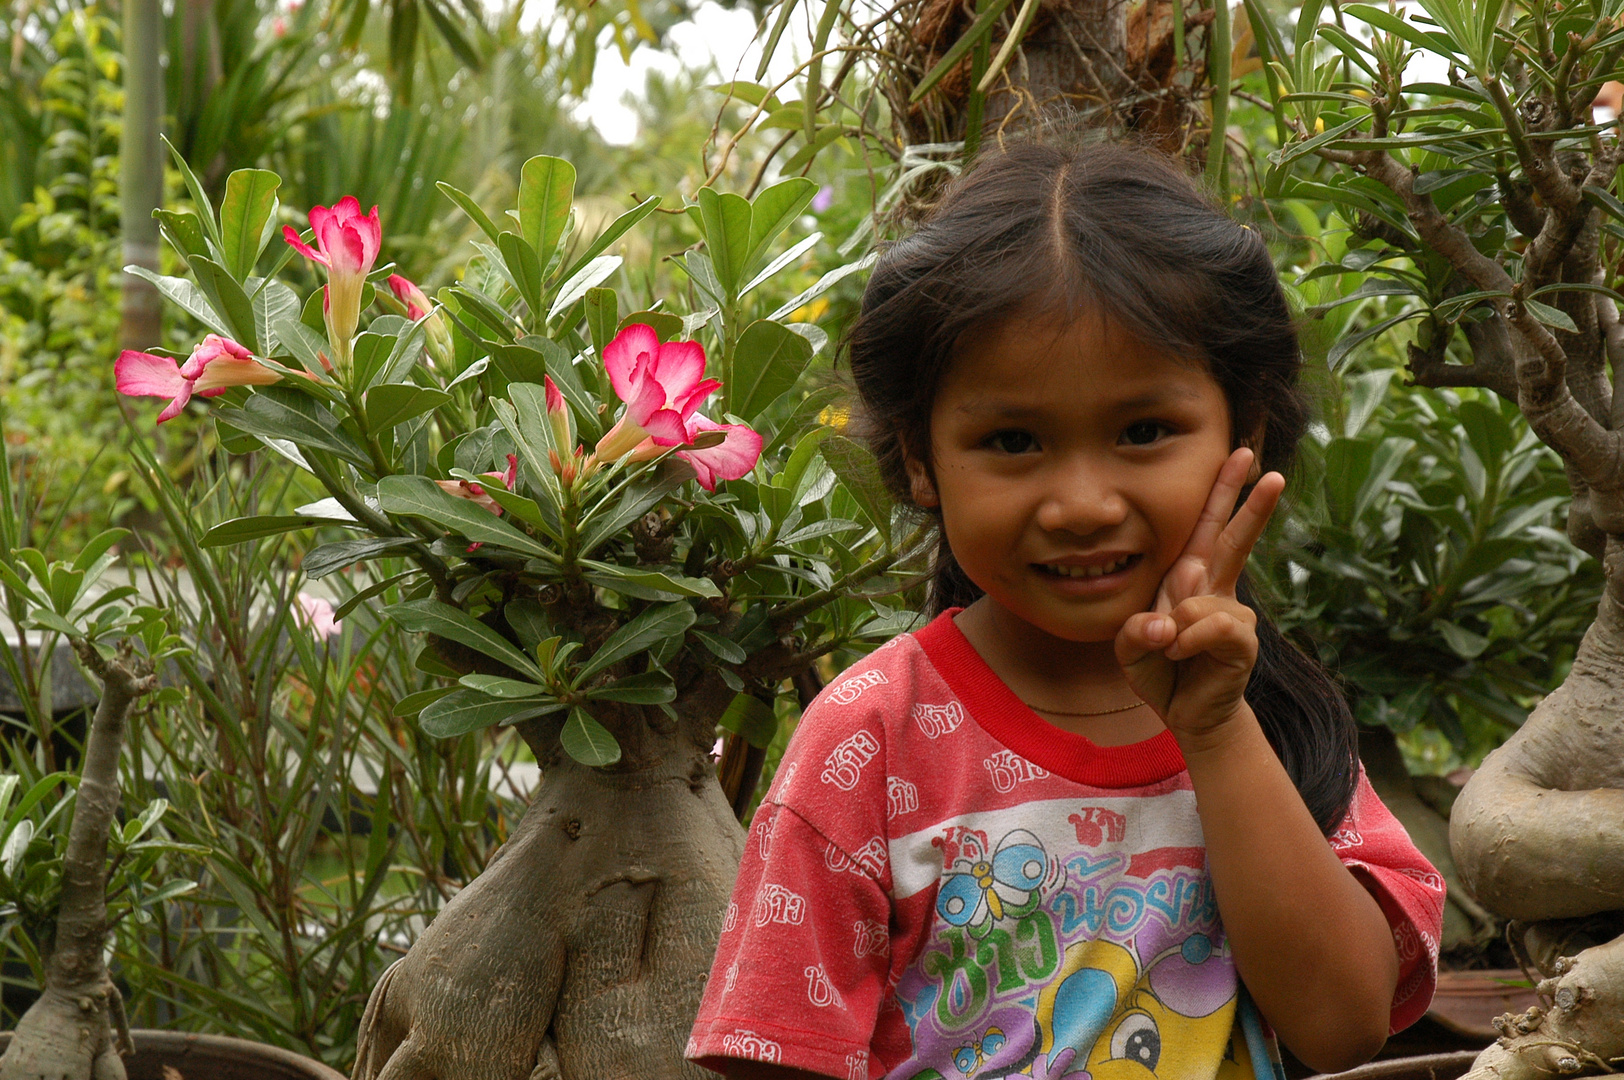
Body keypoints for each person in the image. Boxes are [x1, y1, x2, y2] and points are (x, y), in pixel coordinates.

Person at [686, 139, 1444, 1080]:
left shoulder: (1269, 717)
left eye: (1143, 431)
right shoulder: (870, 741)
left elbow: (1345, 1023)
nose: (1082, 502)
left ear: (1243, 432)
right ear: (922, 461)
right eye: (1013, 439)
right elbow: (777, 1056)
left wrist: (1213, 730)